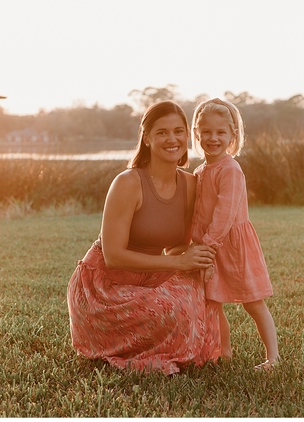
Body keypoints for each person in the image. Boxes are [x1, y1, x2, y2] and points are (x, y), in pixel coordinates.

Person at [67, 100, 222, 375]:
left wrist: (195, 258)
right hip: (105, 288)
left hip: (149, 277)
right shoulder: (128, 183)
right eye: (162, 132)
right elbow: (114, 256)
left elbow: (176, 247)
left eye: (178, 131)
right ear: (147, 138)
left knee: (199, 296)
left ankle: (169, 345)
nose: (172, 139)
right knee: (169, 308)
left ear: (188, 135)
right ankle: (140, 352)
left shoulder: (190, 185)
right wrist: (178, 264)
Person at [190, 98, 279, 371]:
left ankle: (273, 357)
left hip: (232, 245)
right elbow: (198, 213)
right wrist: (192, 242)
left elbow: (224, 214)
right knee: (212, 302)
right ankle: (222, 352)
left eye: (220, 132)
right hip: (209, 246)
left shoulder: (230, 170)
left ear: (232, 136)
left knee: (253, 303)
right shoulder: (200, 171)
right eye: (206, 132)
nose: (213, 138)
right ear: (197, 133)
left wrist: (207, 244)